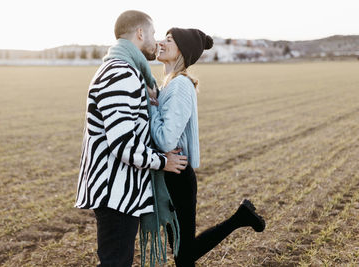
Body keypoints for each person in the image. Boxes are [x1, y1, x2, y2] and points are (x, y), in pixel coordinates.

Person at [74, 11, 188, 267]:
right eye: (154, 34)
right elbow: (123, 144)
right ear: (140, 33)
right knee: (116, 262)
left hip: (120, 191)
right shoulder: (121, 73)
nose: (156, 41)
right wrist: (163, 161)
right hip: (115, 191)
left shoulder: (124, 71)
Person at [148, 28, 266, 266]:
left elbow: (167, 139)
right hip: (172, 174)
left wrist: (151, 106)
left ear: (183, 50)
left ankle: (240, 217)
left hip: (177, 176)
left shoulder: (180, 85)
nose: (161, 42)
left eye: (169, 40)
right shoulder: (171, 85)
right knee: (183, 253)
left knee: (184, 254)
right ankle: (241, 217)